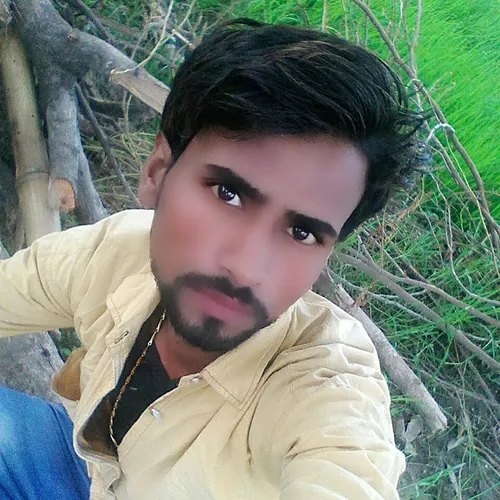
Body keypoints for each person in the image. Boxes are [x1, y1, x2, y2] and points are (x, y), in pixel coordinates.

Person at [0, 18, 422, 500]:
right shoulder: (113, 252)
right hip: (77, 466)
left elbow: (349, 473)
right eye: (228, 194)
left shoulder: (323, 382)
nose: (245, 267)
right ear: (158, 172)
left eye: (302, 232)